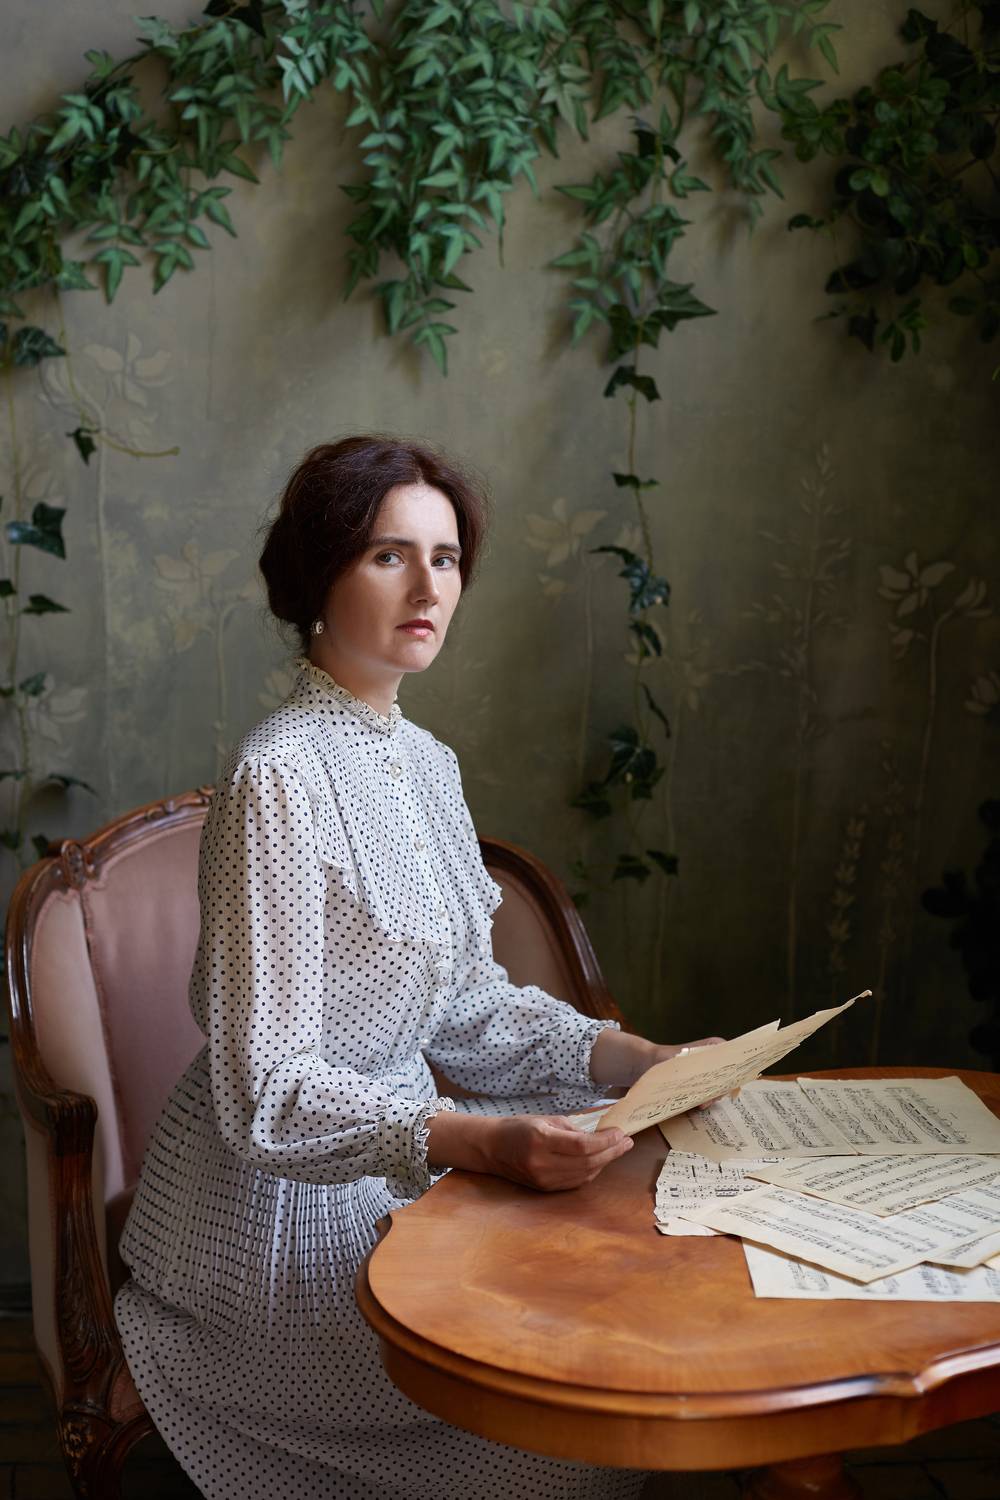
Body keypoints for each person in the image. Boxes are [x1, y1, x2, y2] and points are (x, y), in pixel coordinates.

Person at [114, 436, 717, 1500]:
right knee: (556, 1434)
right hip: (279, 1217)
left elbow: (468, 1008)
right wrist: (481, 1139)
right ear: (318, 576)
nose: (428, 587)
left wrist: (642, 1058)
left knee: (617, 1337)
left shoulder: (428, 765)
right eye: (389, 555)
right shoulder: (277, 778)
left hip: (416, 1167)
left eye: (445, 559)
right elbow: (267, 1093)